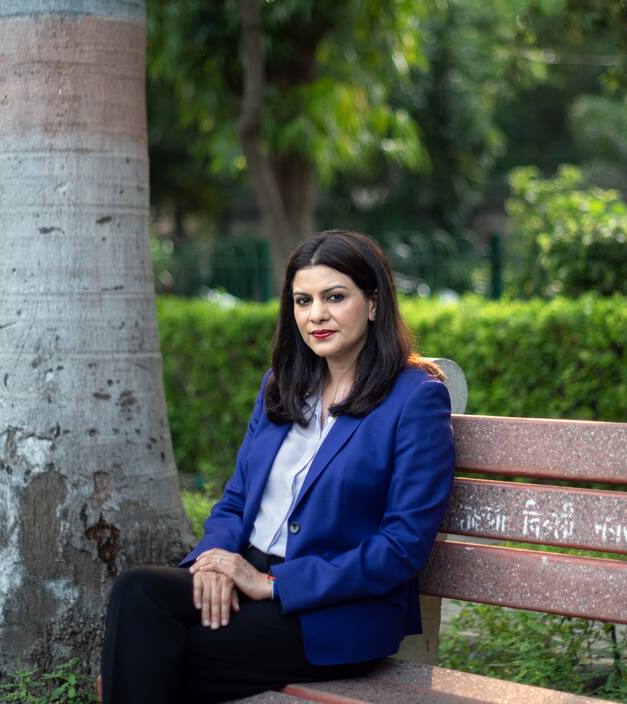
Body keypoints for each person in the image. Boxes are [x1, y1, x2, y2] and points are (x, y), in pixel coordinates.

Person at [98, 230, 455, 703]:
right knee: (138, 591)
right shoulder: (282, 385)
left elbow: (400, 547)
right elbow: (236, 499)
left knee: (158, 650)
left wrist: (272, 585)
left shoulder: (415, 397)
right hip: (248, 580)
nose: (316, 315)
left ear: (373, 303)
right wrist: (213, 563)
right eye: (302, 301)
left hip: (333, 610)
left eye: (335, 297)